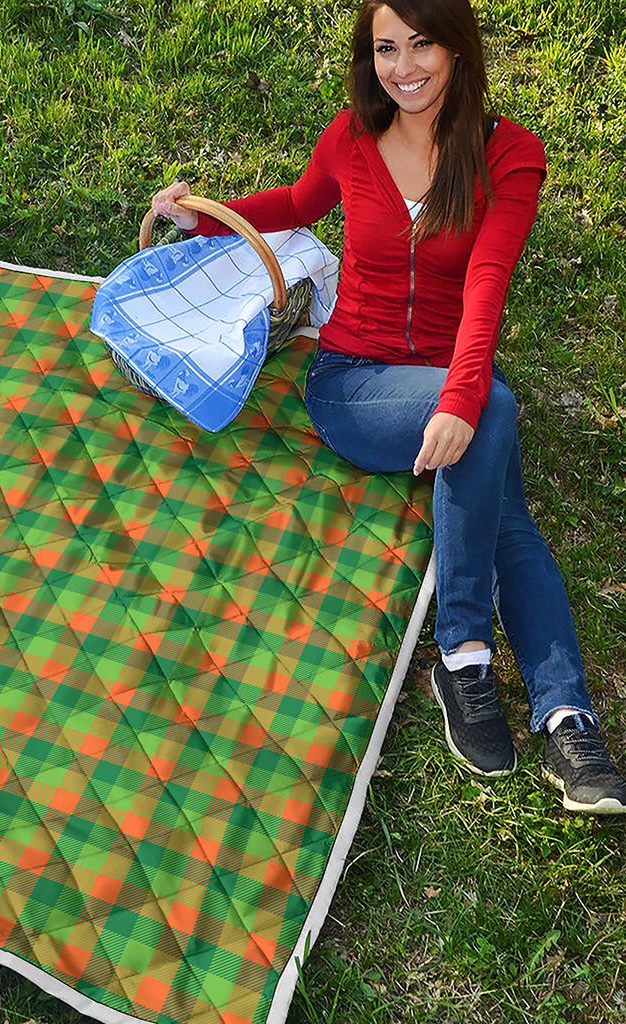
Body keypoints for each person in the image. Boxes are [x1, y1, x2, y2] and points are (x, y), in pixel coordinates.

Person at [150, 0, 626, 814]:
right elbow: (298, 205)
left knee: (500, 478)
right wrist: (205, 221)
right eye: (385, 49)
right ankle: (473, 656)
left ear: (457, 49)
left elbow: (487, 284)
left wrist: (463, 397)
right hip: (353, 383)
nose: (403, 67)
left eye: (422, 45)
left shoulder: (509, 156)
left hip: (446, 376)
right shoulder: (352, 137)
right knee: (495, 420)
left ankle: (559, 713)